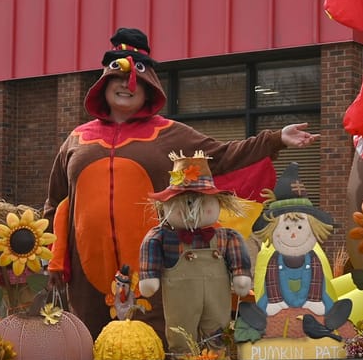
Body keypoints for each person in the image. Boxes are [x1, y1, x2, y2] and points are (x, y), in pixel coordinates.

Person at [44, 27, 318, 340]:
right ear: (104, 84)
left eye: (135, 80)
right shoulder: (77, 140)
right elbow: (56, 202)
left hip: (155, 267)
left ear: (148, 87)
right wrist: (51, 257)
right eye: (117, 77)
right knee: (89, 346)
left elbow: (223, 156)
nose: (125, 86)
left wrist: (275, 139)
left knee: (156, 345)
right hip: (85, 274)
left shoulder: (170, 134)